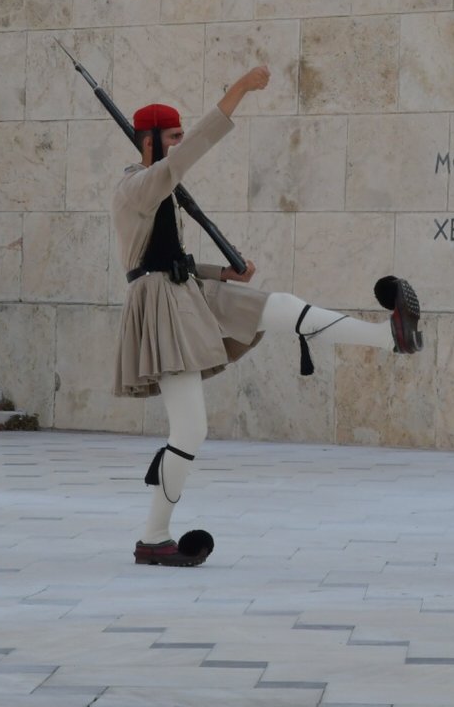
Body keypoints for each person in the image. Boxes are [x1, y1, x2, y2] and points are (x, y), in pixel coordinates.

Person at [113, 65, 422, 566]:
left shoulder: (157, 188)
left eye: (179, 135)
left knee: (279, 306)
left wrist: (221, 272)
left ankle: (390, 336)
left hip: (189, 290)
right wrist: (237, 90)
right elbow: (149, 253)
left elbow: (164, 255)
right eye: (172, 137)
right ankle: (153, 536)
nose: (180, 143)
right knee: (189, 431)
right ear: (149, 142)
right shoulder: (135, 187)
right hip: (161, 309)